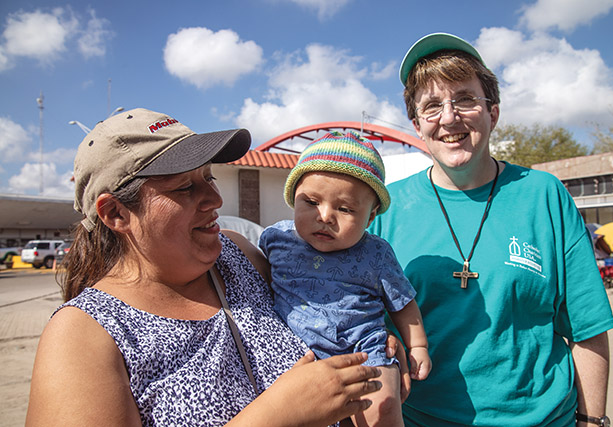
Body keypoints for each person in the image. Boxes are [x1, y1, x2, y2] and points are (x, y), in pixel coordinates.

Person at [25, 108, 407, 427]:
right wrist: (274, 417)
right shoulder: (83, 337)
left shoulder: (238, 255)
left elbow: (324, 295)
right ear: (116, 213)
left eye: (208, 177)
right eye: (184, 188)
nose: (215, 197)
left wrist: (374, 337)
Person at [368, 33, 613, 427]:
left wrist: (591, 421)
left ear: (493, 113)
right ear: (417, 126)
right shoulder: (384, 210)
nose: (449, 117)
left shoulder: (544, 196)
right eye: (432, 106)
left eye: (466, 99)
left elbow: (588, 327)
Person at [259, 131, 431, 427]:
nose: (325, 216)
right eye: (311, 201)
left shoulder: (376, 253)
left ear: (371, 216)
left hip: (363, 350)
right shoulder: (276, 240)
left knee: (383, 408)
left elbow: (402, 304)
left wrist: (418, 347)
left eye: (345, 208)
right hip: (295, 355)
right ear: (293, 199)